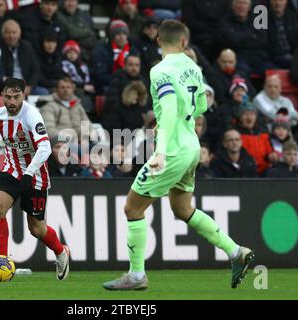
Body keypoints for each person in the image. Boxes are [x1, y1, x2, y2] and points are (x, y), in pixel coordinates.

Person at [103, 20, 254, 291]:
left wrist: (160, 150)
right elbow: (200, 107)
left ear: (159, 39)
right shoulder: (193, 67)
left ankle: (136, 276)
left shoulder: (160, 70)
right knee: (182, 208)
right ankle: (235, 251)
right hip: (191, 145)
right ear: (184, 42)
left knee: (132, 208)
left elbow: (170, 107)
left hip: (171, 150)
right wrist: (182, 120)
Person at [0, 77, 70, 280]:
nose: (12, 102)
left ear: (24, 95)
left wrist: (29, 174)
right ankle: (2, 263)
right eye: (8, 97)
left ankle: (60, 251)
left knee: (36, 229)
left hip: (36, 174)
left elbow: (45, 148)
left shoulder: (32, 116)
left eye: (16, 97)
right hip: (12, 169)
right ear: (2, 95)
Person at [0, 19, 41, 97]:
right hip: (6, 86)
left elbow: (36, 70)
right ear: (3, 34)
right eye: (8, 33)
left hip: (26, 85)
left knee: (44, 92)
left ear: (19, 33)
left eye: (14, 32)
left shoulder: (27, 46)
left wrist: (30, 86)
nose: (11, 36)